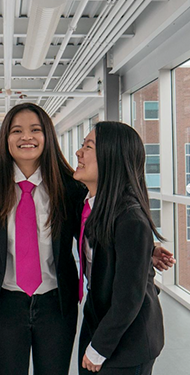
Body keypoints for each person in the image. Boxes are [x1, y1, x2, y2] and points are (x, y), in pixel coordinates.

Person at [0, 102, 86, 375]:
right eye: (16, 131)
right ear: (5, 139)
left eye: (35, 130)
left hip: (56, 305)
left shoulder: (69, 187)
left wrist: (145, 249)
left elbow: (95, 231)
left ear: (47, 136)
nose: (26, 137)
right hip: (3, 305)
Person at [73, 121, 165, 375]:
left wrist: (99, 348)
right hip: (100, 319)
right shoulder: (93, 205)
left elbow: (129, 298)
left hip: (128, 341)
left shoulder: (130, 219)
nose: (79, 153)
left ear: (110, 157)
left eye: (88, 147)